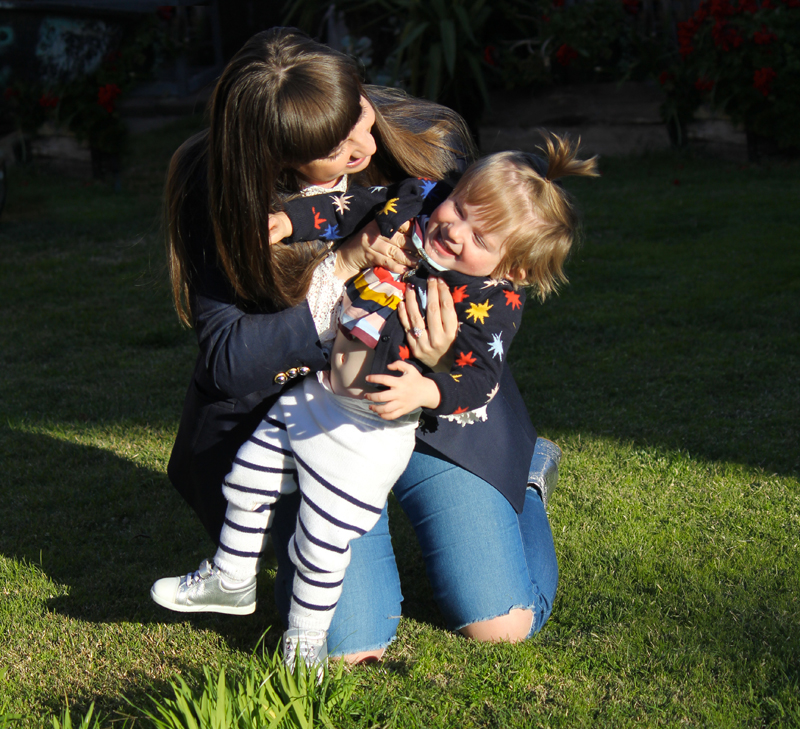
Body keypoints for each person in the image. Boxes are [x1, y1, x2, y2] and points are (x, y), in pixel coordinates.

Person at [155, 27, 565, 664]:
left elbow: (490, 284)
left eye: (360, 117)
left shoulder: (429, 142)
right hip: (312, 415)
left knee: (499, 625)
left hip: (432, 403)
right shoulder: (220, 195)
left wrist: (437, 368)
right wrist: (342, 264)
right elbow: (231, 359)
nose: (367, 145)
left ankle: (526, 482)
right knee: (353, 642)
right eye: (339, 149)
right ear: (280, 159)